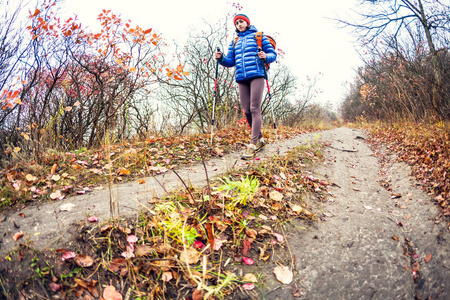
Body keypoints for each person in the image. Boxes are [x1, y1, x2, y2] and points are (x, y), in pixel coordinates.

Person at [215, 13, 277, 160]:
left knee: (255, 108)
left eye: (241, 22)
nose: (239, 25)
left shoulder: (259, 36)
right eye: (237, 23)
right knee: (247, 111)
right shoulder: (235, 41)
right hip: (241, 77)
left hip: (257, 74)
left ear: (247, 23)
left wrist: (265, 57)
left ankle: (252, 144)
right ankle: (260, 140)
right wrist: (222, 58)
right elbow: (230, 61)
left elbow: (272, 54)